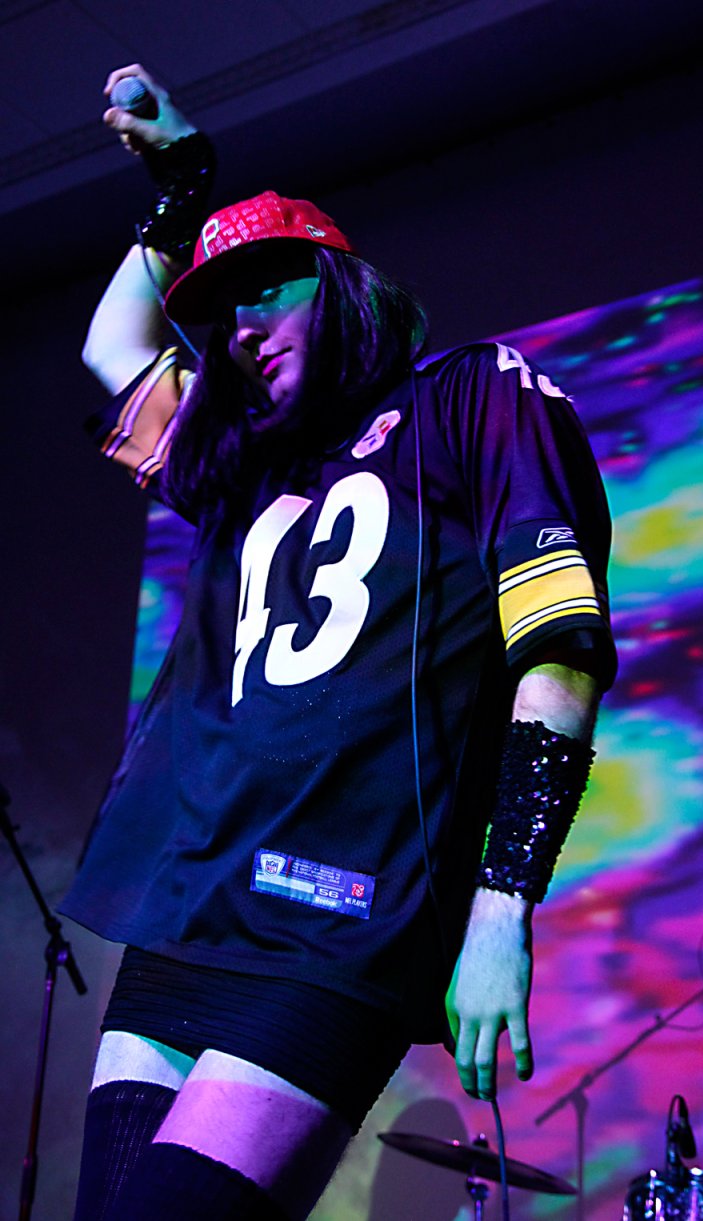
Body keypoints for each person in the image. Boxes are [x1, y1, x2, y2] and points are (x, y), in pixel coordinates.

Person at [62, 65, 616, 1221]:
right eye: (222, 312)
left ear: (343, 286)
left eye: (268, 291)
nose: (241, 328)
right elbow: (113, 347)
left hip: (335, 927)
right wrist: (182, 185)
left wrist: (500, 908)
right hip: (189, 922)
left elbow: (554, 660)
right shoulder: (240, 464)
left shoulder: (472, 399)